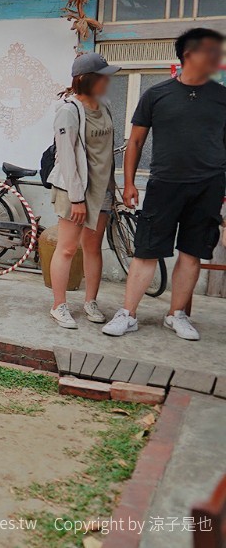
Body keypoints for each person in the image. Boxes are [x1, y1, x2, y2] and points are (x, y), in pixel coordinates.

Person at [103, 28, 226, 341]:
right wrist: (129, 183)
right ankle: (128, 314)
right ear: (188, 55)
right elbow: (136, 142)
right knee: (147, 251)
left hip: (209, 185)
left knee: (192, 252)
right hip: (164, 184)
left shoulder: (222, 98)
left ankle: (177, 315)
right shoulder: (156, 94)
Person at [47, 53, 121, 329]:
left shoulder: (105, 107)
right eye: (104, 77)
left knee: (93, 248)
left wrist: (116, 188)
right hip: (74, 190)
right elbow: (67, 158)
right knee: (67, 249)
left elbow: (106, 154)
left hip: (102, 190)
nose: (107, 81)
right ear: (88, 79)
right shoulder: (69, 110)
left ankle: (91, 301)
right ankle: (59, 305)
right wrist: (77, 199)